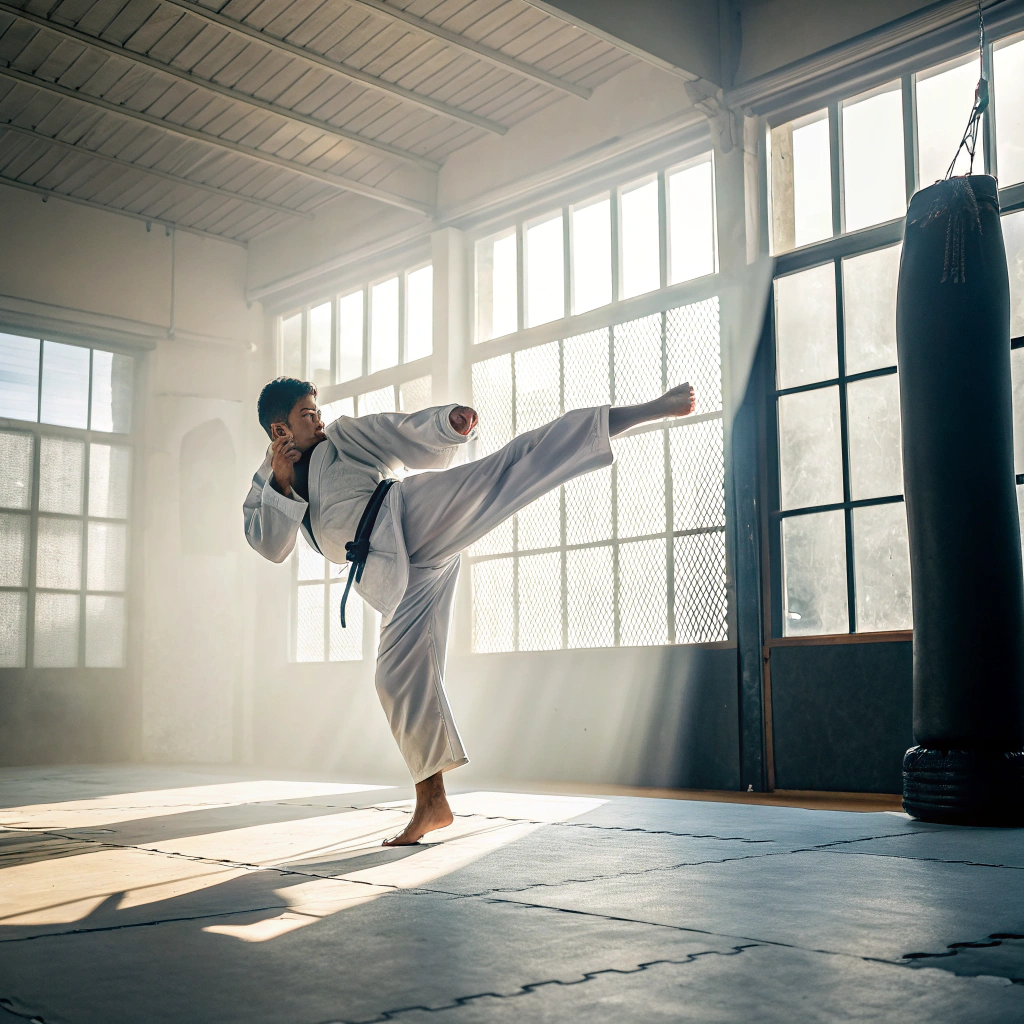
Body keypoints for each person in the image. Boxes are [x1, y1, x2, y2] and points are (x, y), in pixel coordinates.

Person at [243, 380, 696, 845]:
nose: (318, 419)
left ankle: (646, 409)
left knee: (509, 467)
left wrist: (445, 423)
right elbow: (270, 546)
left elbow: (396, 430)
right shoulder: (265, 486)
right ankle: (432, 803)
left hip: (410, 514)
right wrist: (280, 482)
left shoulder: (342, 438)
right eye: (306, 414)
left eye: (316, 411)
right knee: (394, 678)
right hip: (391, 569)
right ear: (279, 428)